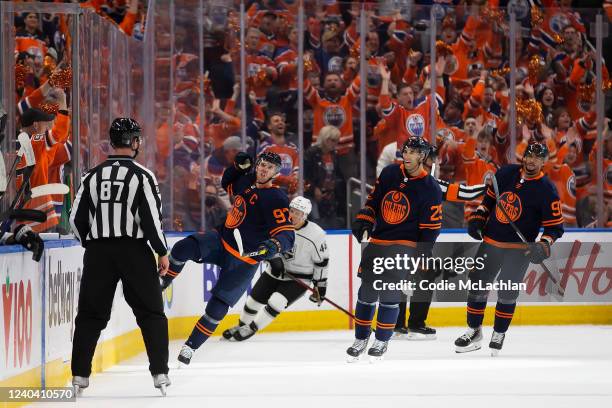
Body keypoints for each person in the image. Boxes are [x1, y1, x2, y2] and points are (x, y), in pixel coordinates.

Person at [161, 151, 295, 365]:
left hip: (245, 261)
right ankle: (164, 281)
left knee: (217, 308)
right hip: (221, 240)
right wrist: (237, 168)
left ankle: (190, 347)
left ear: (276, 173)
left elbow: (287, 234)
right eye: (261, 164)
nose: (263, 169)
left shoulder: (276, 198)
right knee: (182, 248)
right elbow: (228, 182)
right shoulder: (249, 181)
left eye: (269, 167)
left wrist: (274, 245)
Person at [69, 118, 171, 395]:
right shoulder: (142, 175)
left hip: (98, 252)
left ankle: (79, 375)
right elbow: (151, 219)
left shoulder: (91, 176)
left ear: (112, 142)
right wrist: (162, 251)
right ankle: (159, 372)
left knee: (90, 314)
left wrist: (92, 245)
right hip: (134, 251)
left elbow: (76, 220)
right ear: (134, 142)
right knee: (151, 313)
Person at [456, 142, 564, 355]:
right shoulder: (505, 173)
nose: (531, 160)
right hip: (491, 242)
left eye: (537, 157)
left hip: (518, 249)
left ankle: (499, 332)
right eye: (529, 155)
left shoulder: (547, 190)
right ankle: (474, 330)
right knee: (477, 285)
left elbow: (555, 228)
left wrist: (543, 245)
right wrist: (479, 216)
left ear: (544, 161)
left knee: (507, 291)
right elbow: (489, 200)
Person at [348, 137, 442, 361]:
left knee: (390, 293)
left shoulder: (430, 188)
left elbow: (431, 228)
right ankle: (361, 339)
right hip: (379, 241)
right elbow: (374, 201)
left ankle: (381, 340)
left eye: (413, 152)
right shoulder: (390, 173)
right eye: (406, 150)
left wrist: (422, 254)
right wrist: (364, 219)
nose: (407, 155)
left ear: (423, 157)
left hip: (405, 245)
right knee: (366, 293)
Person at [222, 196, 329, 341]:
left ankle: (252, 328)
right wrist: (272, 258)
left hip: (298, 279)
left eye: (299, 213)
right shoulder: (277, 224)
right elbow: (265, 245)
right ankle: (242, 325)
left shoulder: (316, 234)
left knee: (277, 302)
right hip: (274, 272)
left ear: (305, 215)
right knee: (252, 301)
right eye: (292, 211)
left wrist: (320, 286)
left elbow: (321, 262)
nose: (294, 216)